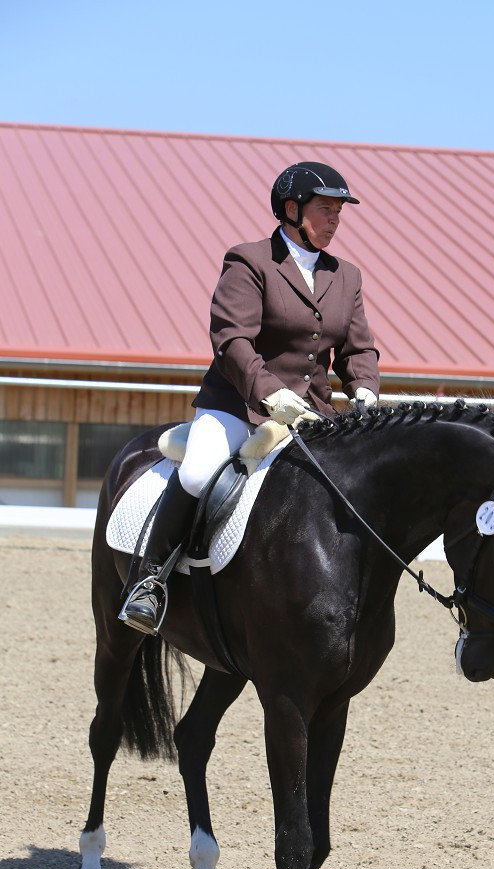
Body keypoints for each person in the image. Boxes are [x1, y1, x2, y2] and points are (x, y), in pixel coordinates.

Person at [119, 161, 381, 634]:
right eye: (325, 210)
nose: (334, 221)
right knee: (199, 473)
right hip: (237, 404)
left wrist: (364, 387)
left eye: (339, 212)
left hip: (312, 413)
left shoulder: (347, 276)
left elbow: (357, 346)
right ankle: (150, 582)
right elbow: (232, 339)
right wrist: (269, 392)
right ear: (290, 208)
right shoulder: (249, 261)